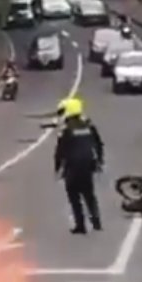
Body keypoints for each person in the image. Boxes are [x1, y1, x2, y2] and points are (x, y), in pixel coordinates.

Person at [54, 97, 104, 234]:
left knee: (74, 197)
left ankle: (80, 225)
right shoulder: (89, 126)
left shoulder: (66, 130)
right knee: (89, 194)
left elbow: (60, 151)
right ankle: (96, 222)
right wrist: (99, 161)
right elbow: (98, 144)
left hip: (73, 167)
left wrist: (57, 168)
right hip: (88, 164)